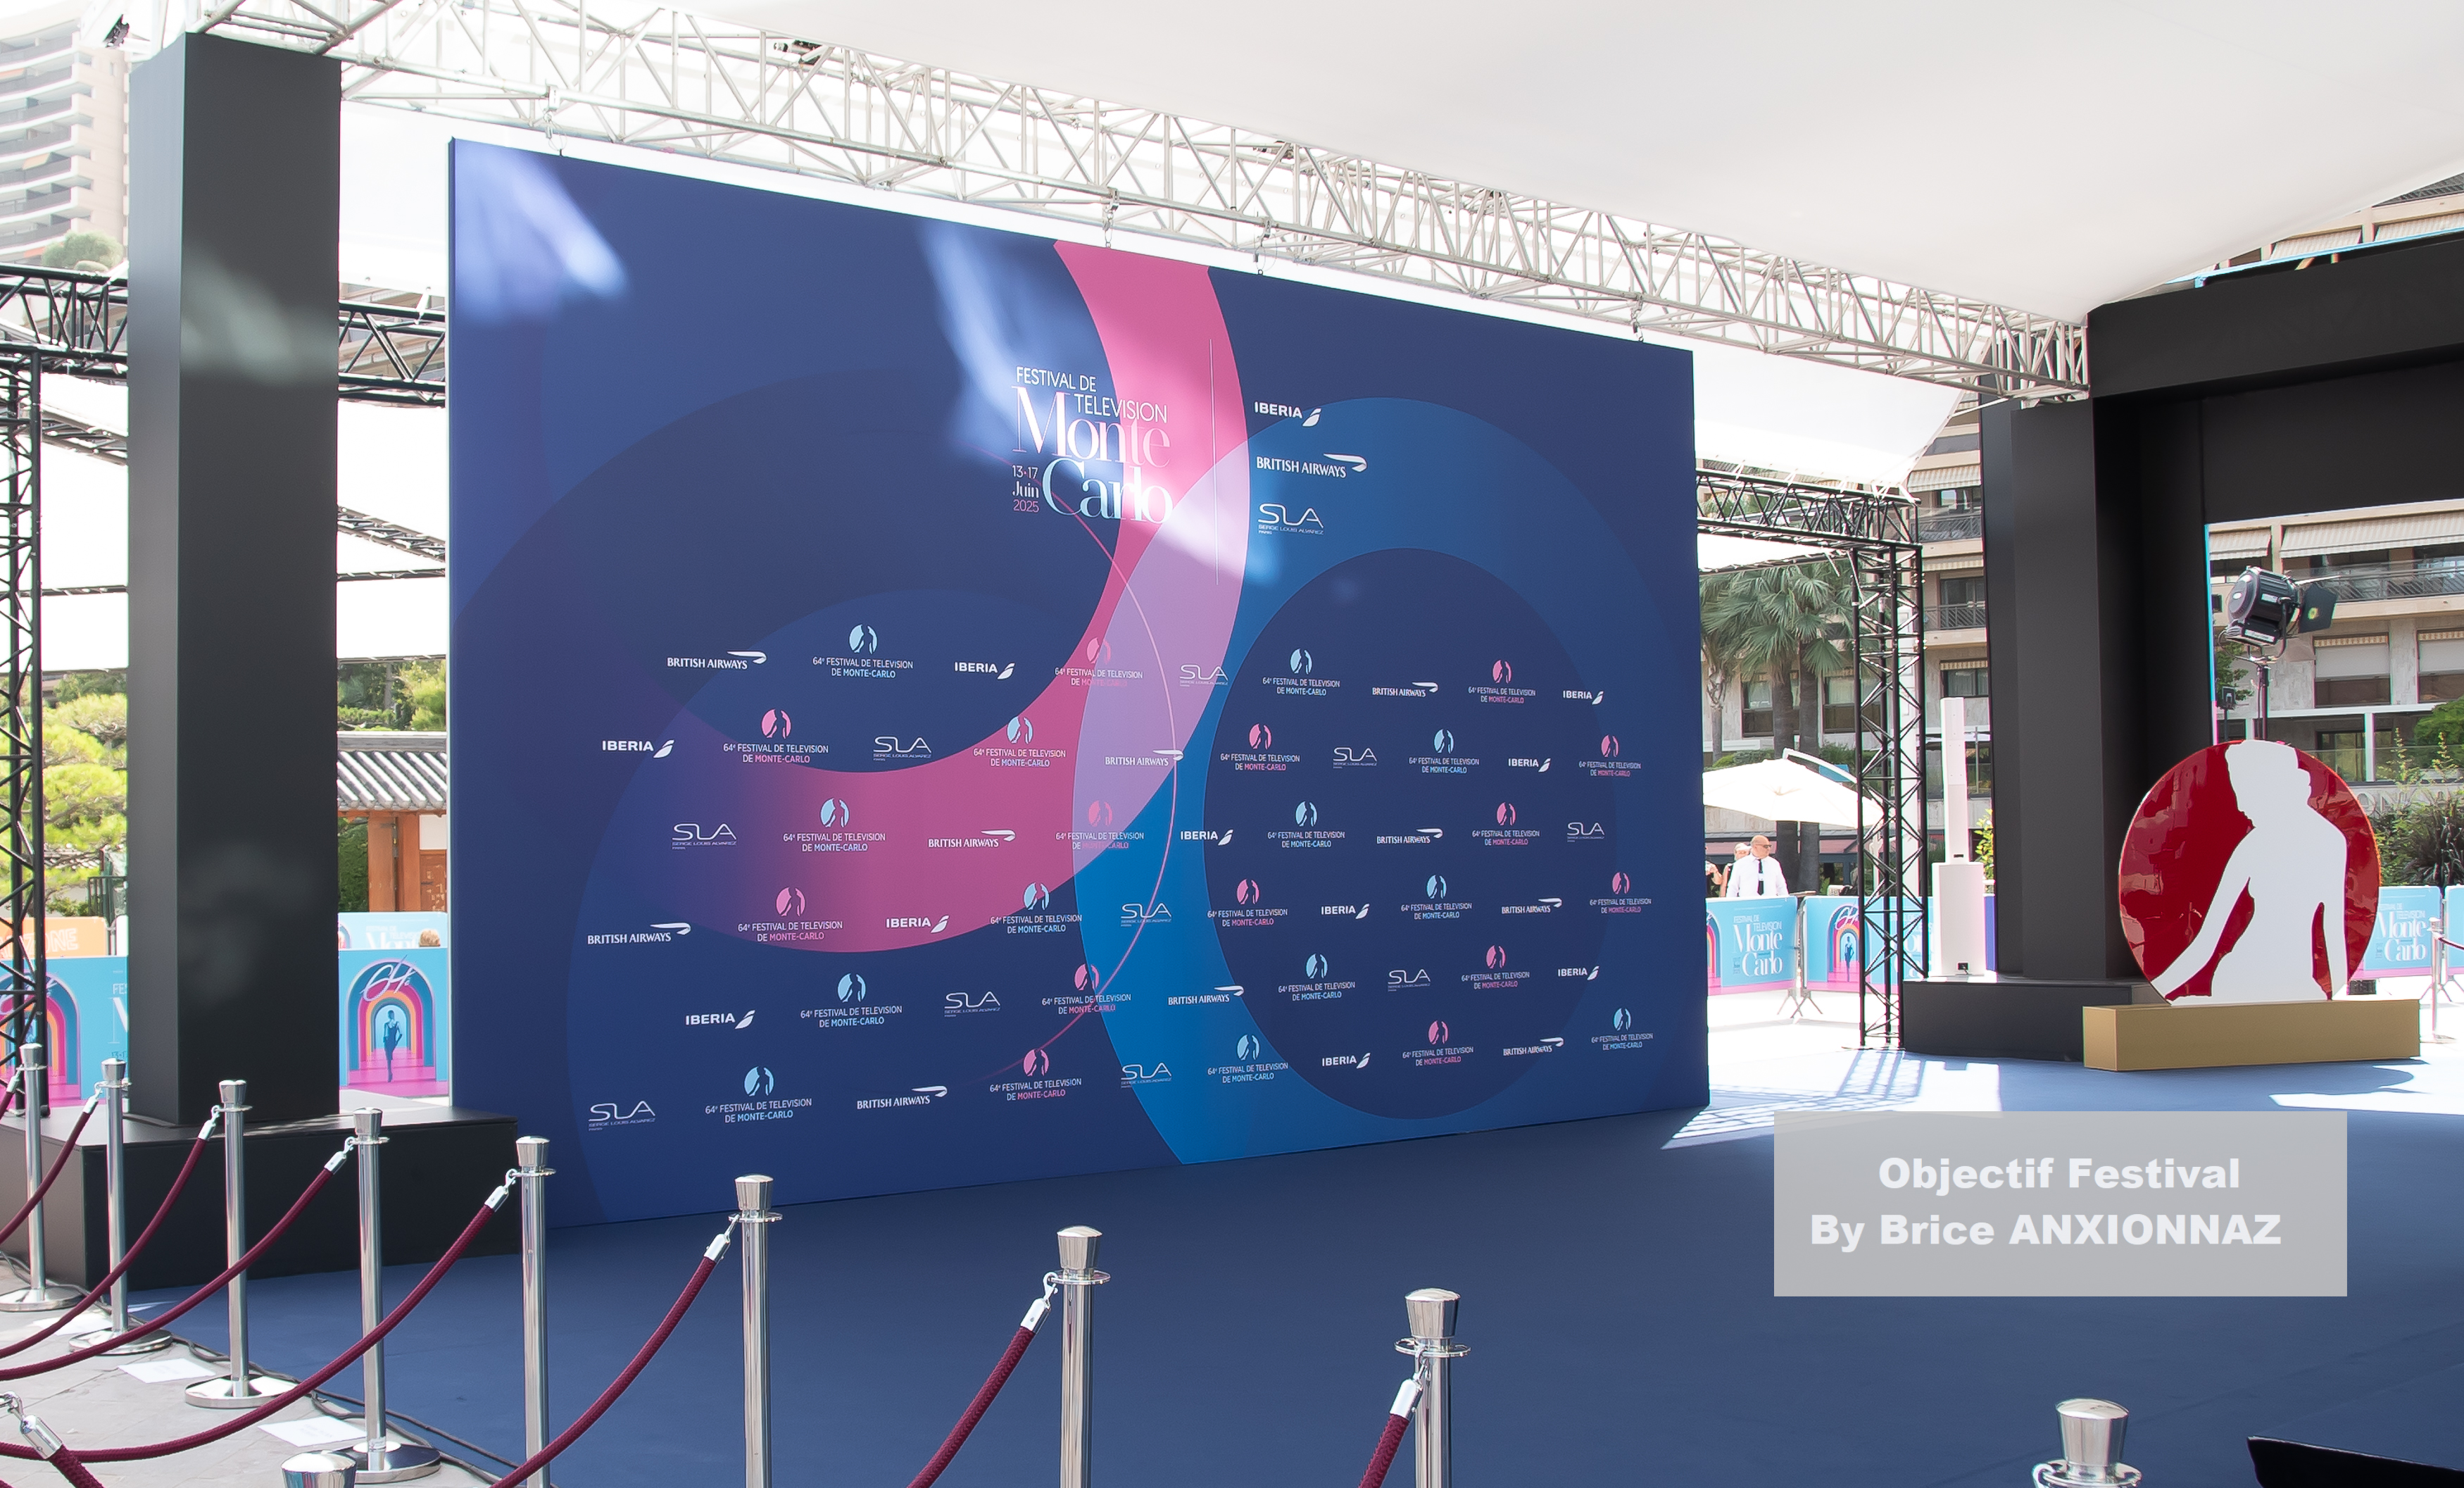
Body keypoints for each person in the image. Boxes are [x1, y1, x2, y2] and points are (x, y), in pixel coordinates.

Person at [2149, 739, 2347, 1002]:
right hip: (2242, 978)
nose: (2242, 807)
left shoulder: (2327, 842)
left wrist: (2341, 998)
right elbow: (2206, 942)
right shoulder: (2258, 843)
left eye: (2246, 793)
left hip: (2288, 984)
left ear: (2272, 787)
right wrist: (2155, 993)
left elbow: (2335, 933)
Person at [1724, 834, 1790, 898]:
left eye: (1769, 846)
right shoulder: (1740, 864)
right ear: (1755, 847)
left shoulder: (1774, 864)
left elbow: (1781, 886)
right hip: (1748, 904)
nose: (1769, 849)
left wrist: (1786, 903)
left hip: (1769, 904)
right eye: (1766, 846)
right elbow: (1733, 887)